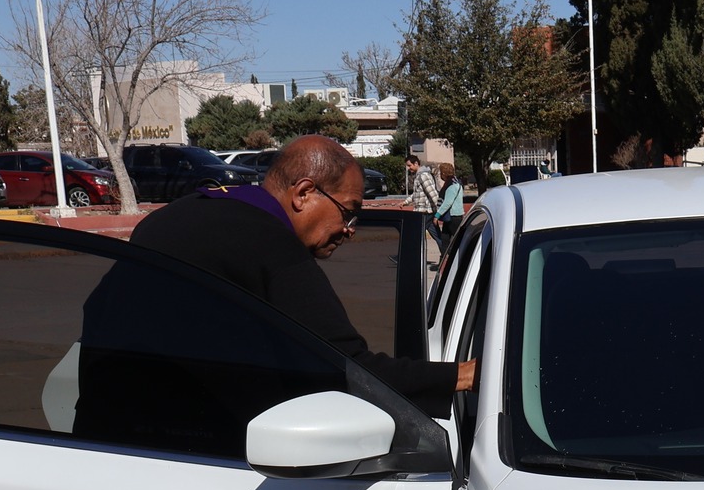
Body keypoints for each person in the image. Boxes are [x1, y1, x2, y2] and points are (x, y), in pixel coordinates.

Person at [122, 135, 473, 413]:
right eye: (348, 212)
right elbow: (347, 368)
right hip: (201, 445)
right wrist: (463, 375)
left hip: (113, 428)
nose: (350, 230)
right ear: (304, 193)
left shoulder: (172, 216)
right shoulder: (272, 244)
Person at [434, 162, 464, 242]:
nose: (440, 175)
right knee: (445, 239)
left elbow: (447, 203)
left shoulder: (451, 185)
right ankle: (445, 251)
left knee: (456, 240)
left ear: (444, 173)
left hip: (453, 216)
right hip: (452, 216)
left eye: (441, 172)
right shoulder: (456, 183)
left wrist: (437, 215)